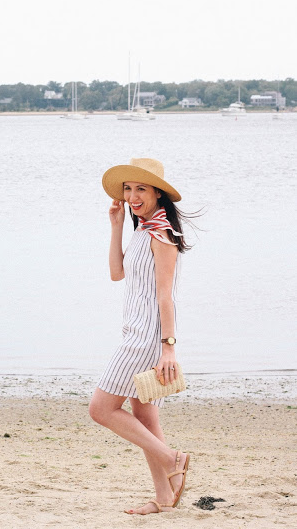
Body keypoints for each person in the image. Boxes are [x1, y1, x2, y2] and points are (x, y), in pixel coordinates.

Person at [89, 157, 191, 515]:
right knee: (145, 418)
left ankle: (172, 457)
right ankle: (165, 496)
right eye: (128, 189)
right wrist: (117, 225)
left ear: (158, 193)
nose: (132, 195)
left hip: (147, 337)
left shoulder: (162, 233)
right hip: (136, 330)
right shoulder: (143, 229)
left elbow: (167, 295)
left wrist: (169, 349)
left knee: (101, 409)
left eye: (141, 189)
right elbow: (117, 274)